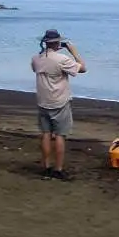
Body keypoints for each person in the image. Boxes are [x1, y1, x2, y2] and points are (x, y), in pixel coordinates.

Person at [31, 29, 86, 180]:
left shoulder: (36, 58)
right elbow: (83, 68)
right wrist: (74, 52)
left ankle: (46, 166)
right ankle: (58, 169)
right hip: (60, 102)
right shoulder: (62, 59)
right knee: (60, 135)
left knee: (46, 134)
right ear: (57, 43)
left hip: (43, 101)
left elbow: (36, 67)